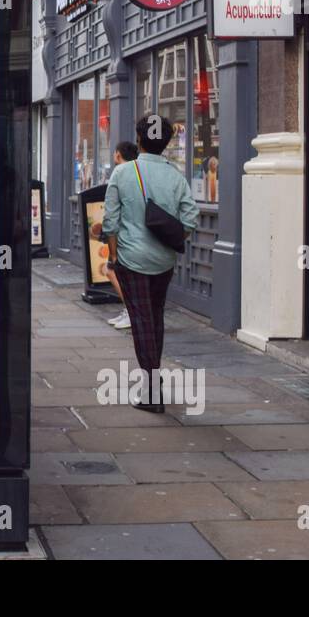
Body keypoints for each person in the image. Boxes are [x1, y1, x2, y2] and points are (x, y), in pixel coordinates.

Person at [101, 115, 199, 412]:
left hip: (131, 259)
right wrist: (172, 237)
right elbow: (191, 218)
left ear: (139, 139)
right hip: (164, 261)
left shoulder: (122, 173)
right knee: (155, 318)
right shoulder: (175, 176)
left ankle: (152, 391)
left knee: (142, 320)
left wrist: (115, 256)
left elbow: (110, 222)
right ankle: (152, 383)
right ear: (166, 143)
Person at [103, 141, 139, 330]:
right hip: (142, 236)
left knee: (113, 271)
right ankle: (130, 312)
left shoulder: (119, 173)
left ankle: (131, 312)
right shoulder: (140, 172)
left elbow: (111, 215)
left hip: (124, 236)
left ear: (118, 155)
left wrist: (113, 249)